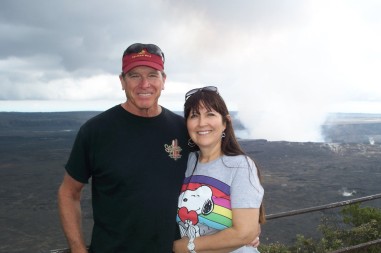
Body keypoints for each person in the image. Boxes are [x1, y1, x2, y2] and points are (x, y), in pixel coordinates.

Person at [57, 43, 191, 253]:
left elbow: (215, 180)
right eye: (134, 75)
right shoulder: (96, 131)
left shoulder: (184, 129)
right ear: (122, 81)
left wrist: (239, 229)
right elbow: (68, 192)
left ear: (164, 80)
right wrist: (77, 249)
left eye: (152, 75)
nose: (144, 84)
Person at [173, 86, 265, 253]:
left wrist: (185, 247)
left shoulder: (240, 165)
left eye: (210, 114)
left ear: (225, 122)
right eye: (194, 115)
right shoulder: (185, 163)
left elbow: (244, 233)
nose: (202, 123)